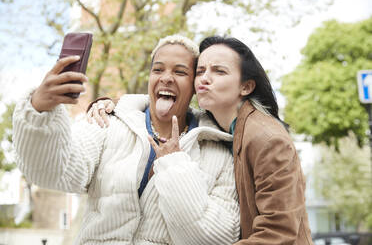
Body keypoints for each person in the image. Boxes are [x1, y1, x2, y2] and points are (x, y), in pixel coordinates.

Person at [12, 35, 240, 245]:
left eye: (180, 72)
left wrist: (175, 167)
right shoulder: (107, 123)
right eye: (158, 69)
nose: (166, 78)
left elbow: (220, 236)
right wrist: (40, 110)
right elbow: (54, 172)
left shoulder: (218, 151)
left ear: (194, 86)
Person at [89, 35, 314, 244]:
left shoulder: (267, 139)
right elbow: (157, 101)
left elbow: (279, 232)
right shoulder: (218, 127)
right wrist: (111, 103)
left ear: (246, 86)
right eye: (201, 71)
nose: (205, 79)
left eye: (219, 71)